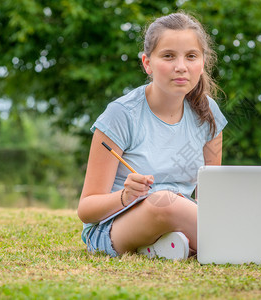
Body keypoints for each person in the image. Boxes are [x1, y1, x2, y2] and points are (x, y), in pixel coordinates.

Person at [77, 12, 227, 260]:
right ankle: (239, 244)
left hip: (183, 216)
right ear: (147, 63)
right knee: (164, 203)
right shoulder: (121, 115)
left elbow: (211, 198)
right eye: (168, 56)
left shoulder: (208, 112)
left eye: (191, 56)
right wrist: (125, 197)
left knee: (174, 204)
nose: (181, 66)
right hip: (114, 227)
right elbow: (87, 210)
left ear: (202, 62)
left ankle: (170, 244)